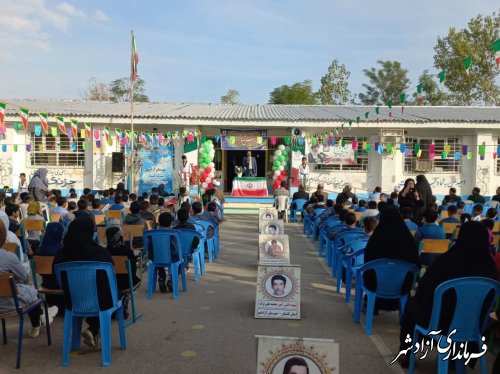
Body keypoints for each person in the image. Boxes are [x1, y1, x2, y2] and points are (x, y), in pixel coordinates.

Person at [397, 222, 496, 368]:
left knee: (412, 305)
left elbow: (425, 291)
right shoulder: (489, 269)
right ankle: (454, 357)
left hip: (440, 324)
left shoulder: (446, 262)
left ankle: (406, 353)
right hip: (474, 325)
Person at [54, 216, 114, 347]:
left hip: (72, 300)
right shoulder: (101, 254)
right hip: (100, 302)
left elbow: (59, 281)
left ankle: (93, 329)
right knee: (108, 294)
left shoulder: (60, 256)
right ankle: (94, 328)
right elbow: (110, 278)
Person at [0, 220, 58, 338]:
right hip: (8, 304)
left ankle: (42, 315)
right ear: (4, 235)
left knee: (27, 290)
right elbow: (23, 277)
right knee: (31, 290)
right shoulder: (8, 256)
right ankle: (38, 320)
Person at [363, 206, 420, 310]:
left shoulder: (376, 239)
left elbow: (367, 261)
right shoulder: (407, 240)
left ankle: (373, 304)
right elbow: (417, 263)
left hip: (375, 285)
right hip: (402, 286)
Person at [37, 222, 65, 310]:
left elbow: (41, 273)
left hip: (47, 287)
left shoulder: (41, 250)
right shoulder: (62, 249)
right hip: (63, 287)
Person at [105, 226, 140, 291]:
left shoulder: (104, 252)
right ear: (119, 237)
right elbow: (133, 271)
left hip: (109, 283)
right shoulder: (128, 251)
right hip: (126, 284)